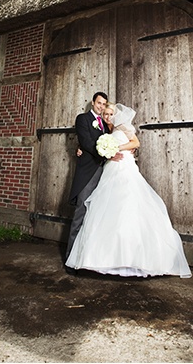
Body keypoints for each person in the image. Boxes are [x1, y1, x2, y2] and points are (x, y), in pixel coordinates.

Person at [66, 103, 191, 278]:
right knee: (107, 208)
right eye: (106, 114)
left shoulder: (122, 127)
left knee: (128, 203)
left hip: (124, 167)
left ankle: (134, 258)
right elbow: (92, 144)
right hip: (110, 169)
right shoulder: (106, 132)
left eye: (110, 113)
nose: (108, 116)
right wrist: (82, 149)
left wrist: (118, 148)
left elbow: (136, 142)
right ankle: (105, 259)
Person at [65, 91, 123, 272]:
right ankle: (70, 261)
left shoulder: (106, 125)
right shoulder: (82, 119)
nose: (101, 106)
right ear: (93, 102)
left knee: (96, 216)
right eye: (99, 103)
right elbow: (87, 142)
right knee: (81, 213)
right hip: (88, 173)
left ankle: (88, 259)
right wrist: (107, 153)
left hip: (104, 173)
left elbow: (113, 140)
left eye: (104, 104)